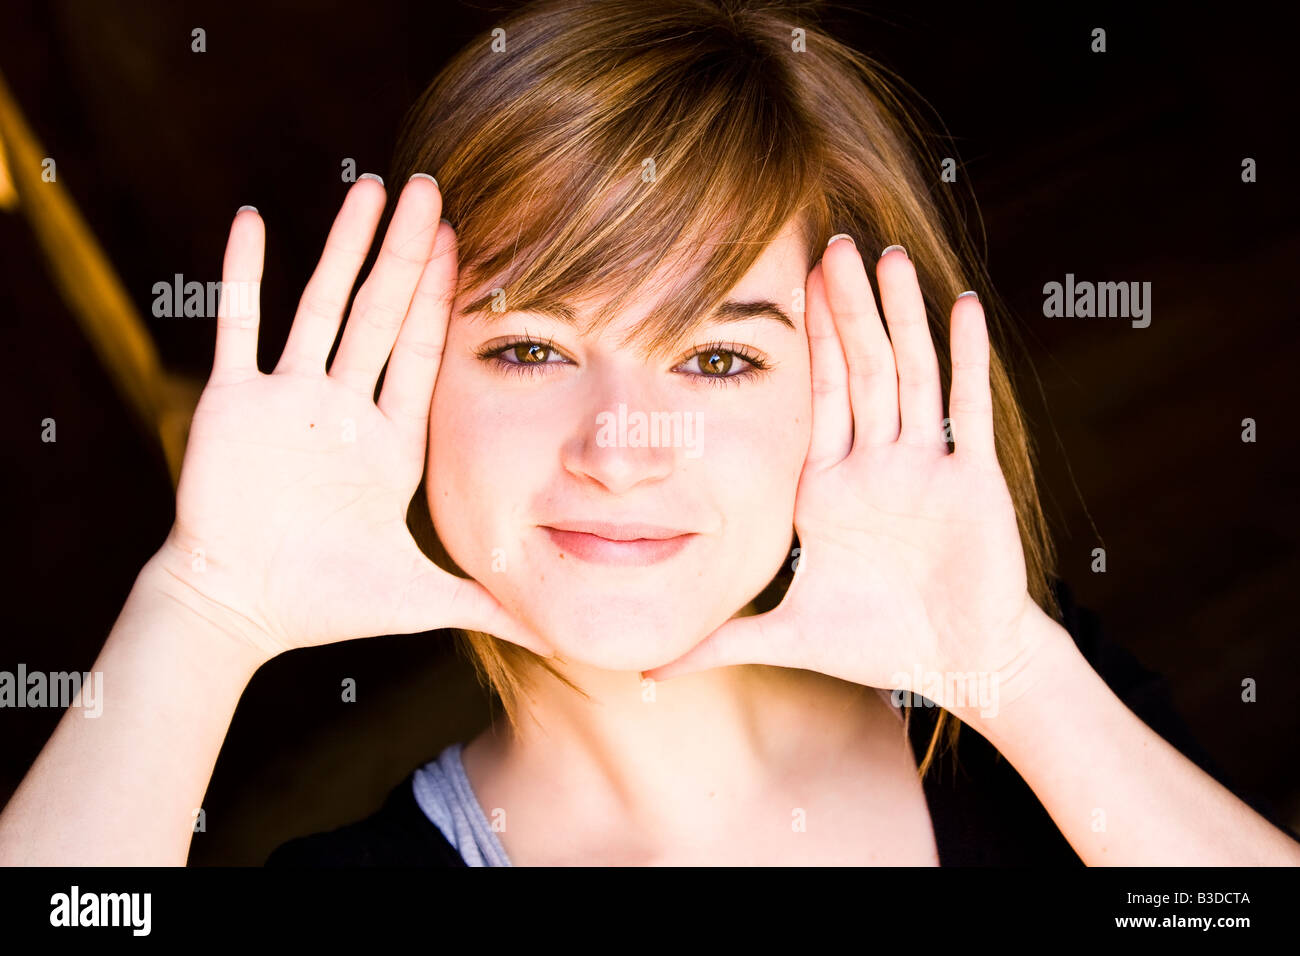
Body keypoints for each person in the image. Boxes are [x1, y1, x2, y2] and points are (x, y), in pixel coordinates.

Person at [3, 0, 1297, 866]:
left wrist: (1023, 681)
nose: (618, 444)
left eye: (720, 356)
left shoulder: (1035, 725)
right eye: (528, 349)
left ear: (839, 391)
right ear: (405, 385)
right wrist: (204, 608)